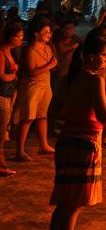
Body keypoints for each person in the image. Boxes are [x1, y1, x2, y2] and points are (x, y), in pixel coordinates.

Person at [49, 32, 106, 230]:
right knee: (74, 204)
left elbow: (53, 111)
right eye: (105, 55)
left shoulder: (67, 79)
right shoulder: (94, 80)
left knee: (65, 202)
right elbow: (104, 116)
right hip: (85, 144)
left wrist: (75, 113)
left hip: (66, 141)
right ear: (91, 56)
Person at [14, 17, 57, 160]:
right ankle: (19, 150)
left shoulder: (48, 47)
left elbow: (53, 62)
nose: (48, 35)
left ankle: (44, 145)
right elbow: (32, 71)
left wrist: (50, 65)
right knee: (27, 118)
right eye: (45, 32)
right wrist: (49, 65)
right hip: (32, 87)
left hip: (45, 85)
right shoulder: (30, 50)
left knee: (42, 116)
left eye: (49, 32)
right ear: (36, 34)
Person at [0, 21, 24, 176]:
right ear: (11, 37)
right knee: (1, 131)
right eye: (19, 36)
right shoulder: (2, 53)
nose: (21, 39)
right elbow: (1, 75)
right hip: (2, 95)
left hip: (9, 95)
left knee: (3, 131)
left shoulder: (11, 52)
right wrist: (14, 75)